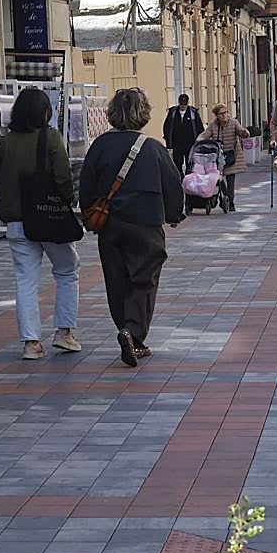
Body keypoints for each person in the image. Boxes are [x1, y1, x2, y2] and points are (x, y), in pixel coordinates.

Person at [79, 88, 183, 368]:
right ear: (144, 113)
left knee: (116, 279)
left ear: (112, 113)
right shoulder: (153, 148)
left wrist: (89, 213)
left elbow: (86, 185)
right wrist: (174, 214)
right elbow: (173, 184)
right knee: (144, 278)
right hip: (146, 223)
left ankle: (127, 329)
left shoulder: (99, 146)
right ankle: (132, 332)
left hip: (110, 224)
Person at [0, 87, 81, 361]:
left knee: (25, 280)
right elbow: (63, 177)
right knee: (67, 270)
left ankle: (31, 343)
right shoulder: (50, 137)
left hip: (17, 221)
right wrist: (67, 201)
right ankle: (64, 332)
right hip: (49, 217)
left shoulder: (6, 143)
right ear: (45, 112)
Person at [201, 104, 249, 210]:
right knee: (218, 178)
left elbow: (240, 131)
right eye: (221, 113)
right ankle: (224, 197)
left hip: (232, 155)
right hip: (218, 156)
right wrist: (198, 140)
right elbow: (205, 134)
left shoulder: (233, 122)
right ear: (217, 115)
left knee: (230, 179)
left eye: (226, 112)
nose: (224, 115)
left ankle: (231, 202)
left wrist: (244, 133)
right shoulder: (213, 125)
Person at [162, 93, 204, 177]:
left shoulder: (193, 113)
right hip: (176, 143)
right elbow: (167, 126)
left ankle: (188, 178)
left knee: (190, 163)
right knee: (177, 163)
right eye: (181, 104)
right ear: (179, 103)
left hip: (190, 143)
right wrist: (168, 141)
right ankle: (180, 177)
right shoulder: (173, 112)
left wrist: (199, 142)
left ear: (187, 103)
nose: (183, 106)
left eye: (184, 104)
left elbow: (199, 127)